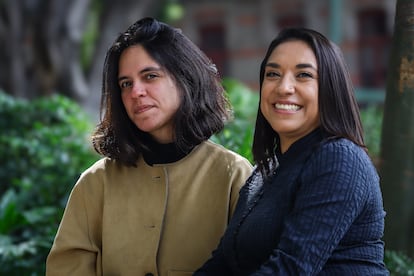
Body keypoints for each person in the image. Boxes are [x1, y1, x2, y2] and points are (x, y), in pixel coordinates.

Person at [46, 17, 252, 276]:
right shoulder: (96, 183)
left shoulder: (233, 175)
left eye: (150, 76)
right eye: (126, 84)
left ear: (184, 77)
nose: (136, 92)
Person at [194, 27, 389, 275]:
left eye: (303, 75)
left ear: (330, 88)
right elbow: (223, 263)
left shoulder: (339, 158)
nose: (284, 87)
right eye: (273, 74)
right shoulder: (265, 171)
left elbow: (291, 268)